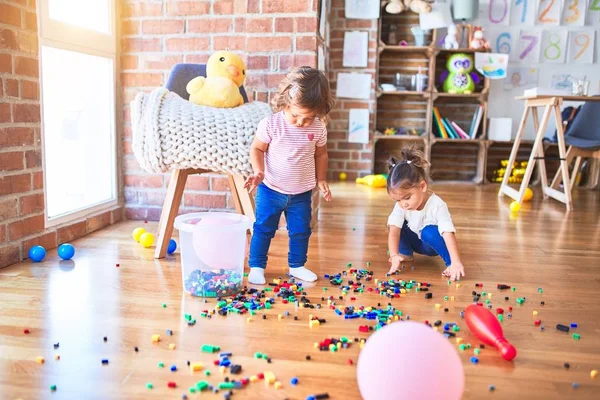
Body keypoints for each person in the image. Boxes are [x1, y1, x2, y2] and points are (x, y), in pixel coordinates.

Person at [244, 66, 335, 284]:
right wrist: (259, 171)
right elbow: (256, 149)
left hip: (301, 193)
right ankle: (256, 266)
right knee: (263, 229)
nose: (302, 122)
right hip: (270, 189)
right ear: (286, 102)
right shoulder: (271, 124)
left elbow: (321, 154)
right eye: (296, 115)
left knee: (301, 231)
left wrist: (321, 179)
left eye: (309, 117)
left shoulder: (318, 128)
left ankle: (297, 265)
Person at [386, 146, 465, 281]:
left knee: (428, 231)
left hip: (430, 245)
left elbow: (448, 233)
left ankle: (449, 264)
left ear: (422, 186)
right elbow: (394, 230)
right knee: (395, 223)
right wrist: (394, 255)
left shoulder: (437, 205)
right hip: (415, 240)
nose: (403, 204)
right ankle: (406, 253)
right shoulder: (402, 205)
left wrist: (455, 261)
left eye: (407, 198)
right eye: (397, 200)